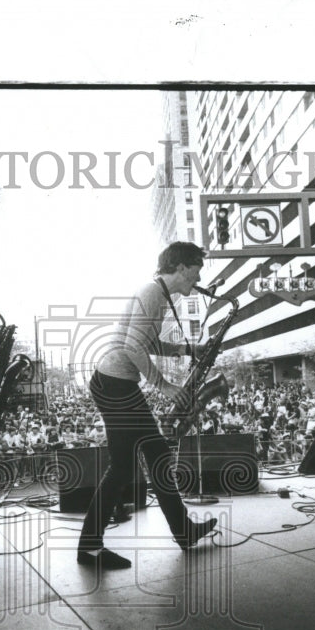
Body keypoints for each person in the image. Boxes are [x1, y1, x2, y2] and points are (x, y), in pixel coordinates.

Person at [78, 241, 218, 570]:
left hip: (115, 384)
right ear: (182, 267)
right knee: (128, 466)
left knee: (153, 457)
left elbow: (145, 341)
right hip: (116, 384)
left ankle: (183, 532)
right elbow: (131, 346)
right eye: (196, 269)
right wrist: (165, 385)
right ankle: (89, 547)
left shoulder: (155, 293)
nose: (197, 278)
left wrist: (185, 350)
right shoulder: (153, 293)